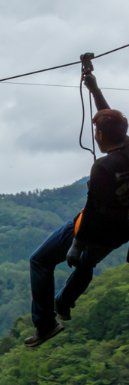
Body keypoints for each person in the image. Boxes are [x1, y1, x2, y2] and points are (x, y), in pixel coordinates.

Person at [26, 60, 129, 347]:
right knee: (87, 262)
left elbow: (93, 210)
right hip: (122, 230)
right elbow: (110, 120)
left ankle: (45, 324)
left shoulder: (103, 168)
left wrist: (76, 243)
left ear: (98, 136)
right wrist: (94, 89)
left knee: (40, 260)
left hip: (94, 227)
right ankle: (64, 302)